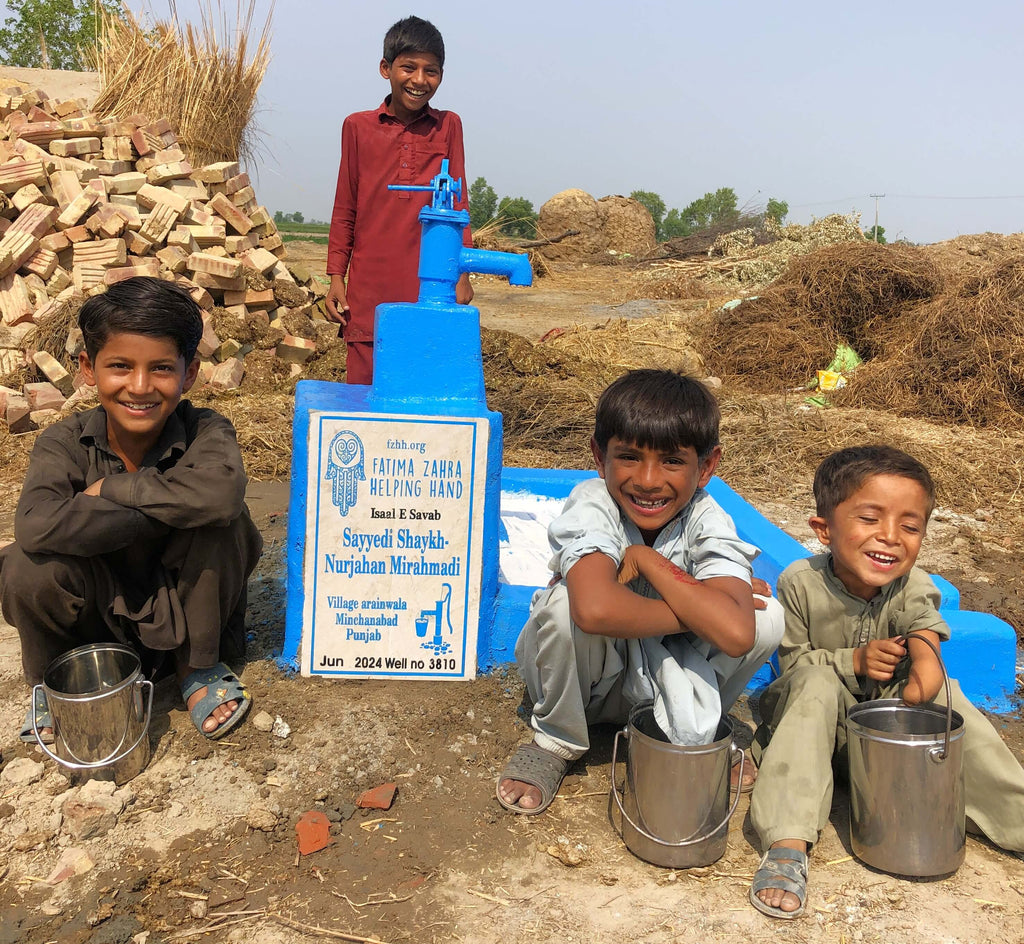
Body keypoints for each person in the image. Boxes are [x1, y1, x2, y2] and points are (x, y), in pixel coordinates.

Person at [749, 445, 1024, 919]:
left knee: (947, 693)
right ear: (824, 530)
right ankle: (787, 841)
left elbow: (924, 627)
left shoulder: (912, 584)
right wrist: (853, 661)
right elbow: (791, 668)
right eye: (870, 519)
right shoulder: (800, 582)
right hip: (808, 729)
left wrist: (925, 664)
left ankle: (1015, 815)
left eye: (910, 526)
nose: (891, 537)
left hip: (884, 749)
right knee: (815, 680)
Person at [497, 369, 785, 814]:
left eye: (672, 461)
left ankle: (700, 725)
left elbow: (739, 635)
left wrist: (650, 562)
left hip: (665, 677)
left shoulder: (708, 518)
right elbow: (594, 610)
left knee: (766, 615)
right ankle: (557, 740)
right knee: (563, 608)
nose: (648, 480)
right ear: (600, 456)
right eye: (629, 457)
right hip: (594, 681)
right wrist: (705, 606)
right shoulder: (593, 502)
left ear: (706, 467)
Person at [0, 277, 263, 743]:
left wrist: (113, 490)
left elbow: (221, 494)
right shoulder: (62, 442)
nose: (139, 387)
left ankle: (197, 670)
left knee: (227, 523)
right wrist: (170, 506)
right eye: (120, 366)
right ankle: (53, 683)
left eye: (161, 368)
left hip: (192, 615)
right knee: (25, 565)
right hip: (97, 625)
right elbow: (36, 525)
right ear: (87, 367)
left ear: (190, 374)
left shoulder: (206, 429)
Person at [325, 14, 474, 385]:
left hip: (429, 289)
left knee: (422, 395)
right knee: (365, 398)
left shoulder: (448, 126)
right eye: (409, 67)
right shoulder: (357, 127)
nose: (420, 80)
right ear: (385, 68)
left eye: (432, 71)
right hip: (368, 291)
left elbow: (458, 204)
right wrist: (334, 278)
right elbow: (346, 207)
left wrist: (463, 272)